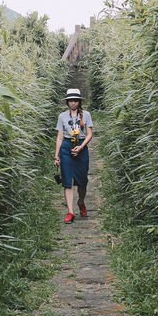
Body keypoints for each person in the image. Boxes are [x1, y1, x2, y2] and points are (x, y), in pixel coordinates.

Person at [54, 88, 94, 224]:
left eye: (75, 100)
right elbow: (59, 137)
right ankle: (70, 212)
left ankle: (81, 202)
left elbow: (89, 134)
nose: (73, 103)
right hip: (66, 147)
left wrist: (81, 147)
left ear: (79, 102)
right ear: (67, 102)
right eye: (70, 101)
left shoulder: (86, 115)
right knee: (67, 181)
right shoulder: (62, 116)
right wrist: (56, 156)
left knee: (82, 181)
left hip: (81, 146)